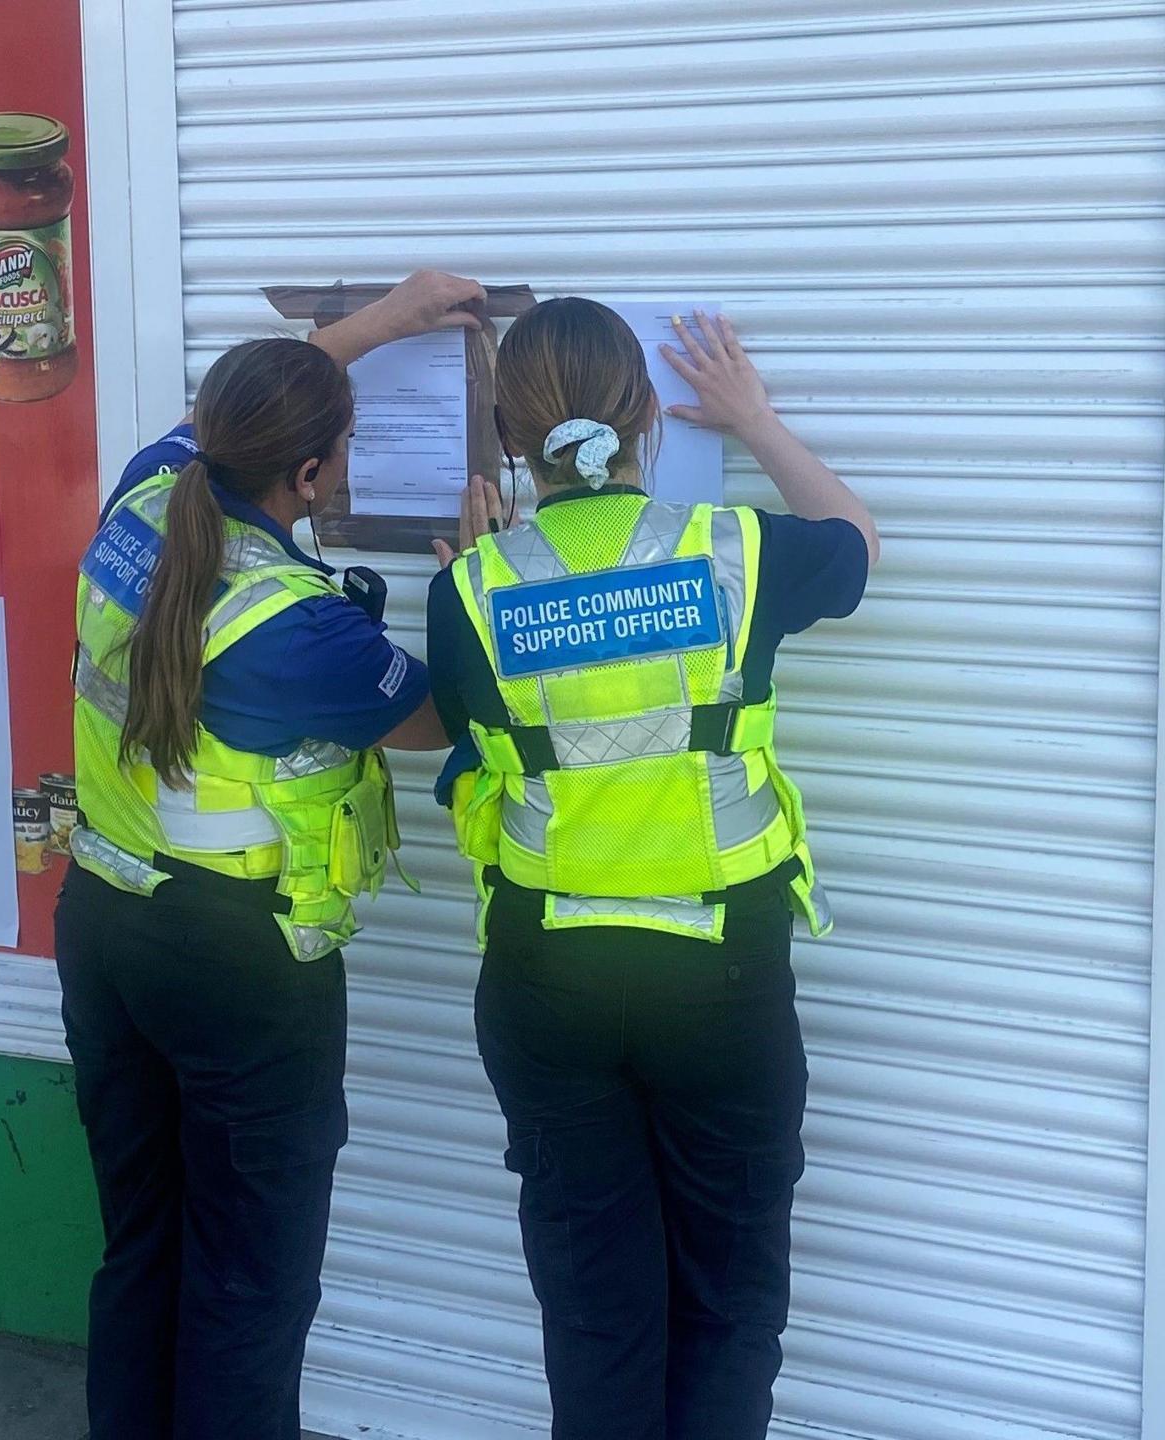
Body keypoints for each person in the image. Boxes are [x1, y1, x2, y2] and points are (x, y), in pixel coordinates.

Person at [425, 298, 877, 1439]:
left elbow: (476, 751)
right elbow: (857, 545)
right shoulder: (734, 551)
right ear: (644, 422)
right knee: (728, 1308)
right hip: (716, 976)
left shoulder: (471, 591)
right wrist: (755, 421)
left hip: (546, 983)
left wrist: (496, 565)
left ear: (508, 436)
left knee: (595, 1315)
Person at [56, 270, 483, 1440]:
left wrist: (385, 321)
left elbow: (231, 418)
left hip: (104, 918)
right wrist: (471, 581)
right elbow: (442, 715)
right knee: (252, 1276)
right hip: (235, 967)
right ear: (308, 475)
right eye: (334, 452)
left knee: (143, 1242)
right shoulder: (300, 626)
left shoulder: (147, 492)